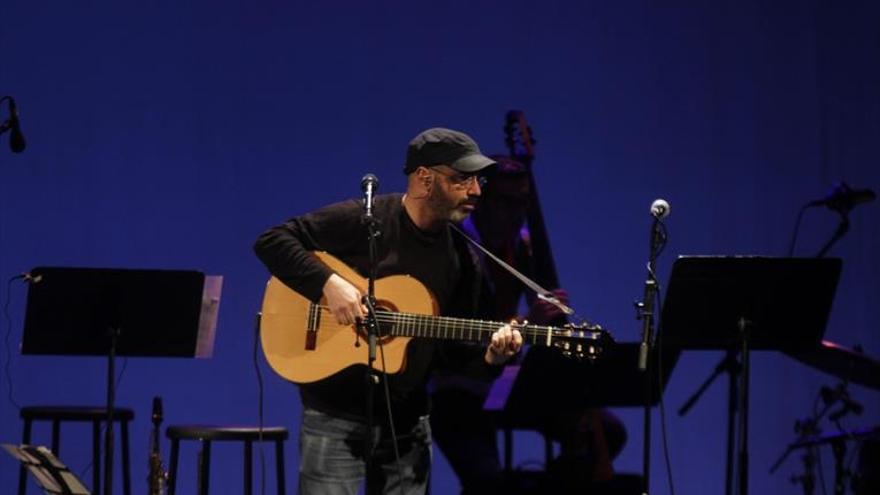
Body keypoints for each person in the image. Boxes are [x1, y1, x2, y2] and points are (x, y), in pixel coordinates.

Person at [253, 127, 523, 495]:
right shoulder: (368, 219)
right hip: (335, 415)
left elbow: (454, 356)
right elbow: (272, 241)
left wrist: (492, 356)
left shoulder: (464, 258)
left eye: (477, 180)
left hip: (408, 425)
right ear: (424, 179)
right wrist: (330, 286)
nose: (475, 191)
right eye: (461, 179)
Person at [429, 156, 627, 494]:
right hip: (456, 384)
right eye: (508, 202)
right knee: (486, 480)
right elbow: (455, 334)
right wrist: (526, 323)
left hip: (502, 382)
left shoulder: (520, 245)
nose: (518, 212)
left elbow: (544, 308)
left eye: (524, 202)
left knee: (605, 433)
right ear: (482, 200)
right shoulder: (452, 247)